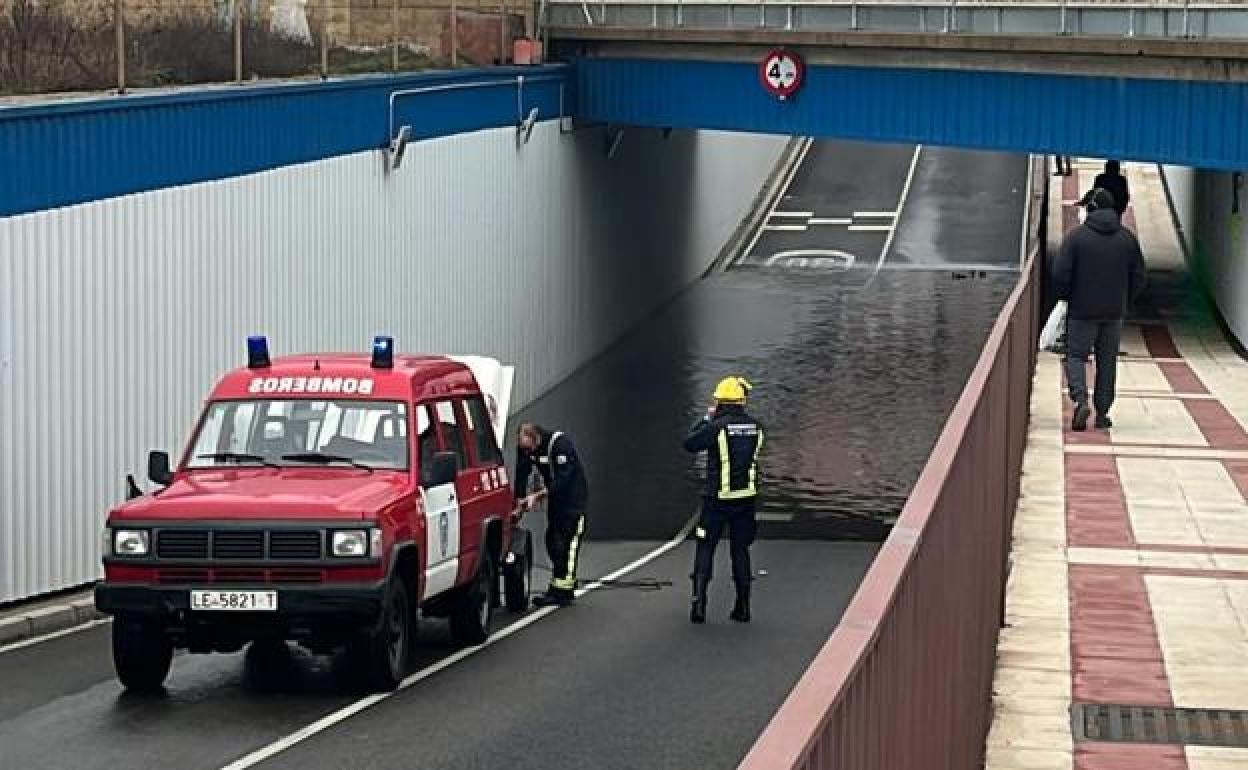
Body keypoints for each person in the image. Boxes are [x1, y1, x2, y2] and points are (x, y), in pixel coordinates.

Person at [1053, 188, 1147, 432]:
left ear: (1091, 208)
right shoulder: (1127, 239)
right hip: (1114, 313)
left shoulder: (1076, 238)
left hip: (1082, 311)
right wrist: (1125, 300)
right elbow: (1139, 276)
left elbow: (1060, 274)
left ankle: (1080, 401)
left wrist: (1066, 297)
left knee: (1075, 356)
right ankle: (1103, 413)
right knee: (1107, 362)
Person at [683, 376, 765, 624]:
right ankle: (743, 607)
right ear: (742, 402)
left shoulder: (717, 427)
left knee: (705, 547)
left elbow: (690, 444)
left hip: (716, 499)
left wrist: (707, 418)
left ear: (720, 403)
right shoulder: (756, 428)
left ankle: (699, 606)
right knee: (740, 551)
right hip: (745, 499)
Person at [514, 423, 589, 608]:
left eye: (529, 447)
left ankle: (565, 589)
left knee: (567, 543)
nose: (527, 452)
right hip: (556, 501)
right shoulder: (526, 450)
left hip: (573, 501)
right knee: (552, 540)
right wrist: (519, 501)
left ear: (536, 438)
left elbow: (565, 479)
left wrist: (539, 495)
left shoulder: (559, 445)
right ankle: (557, 586)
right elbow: (522, 473)